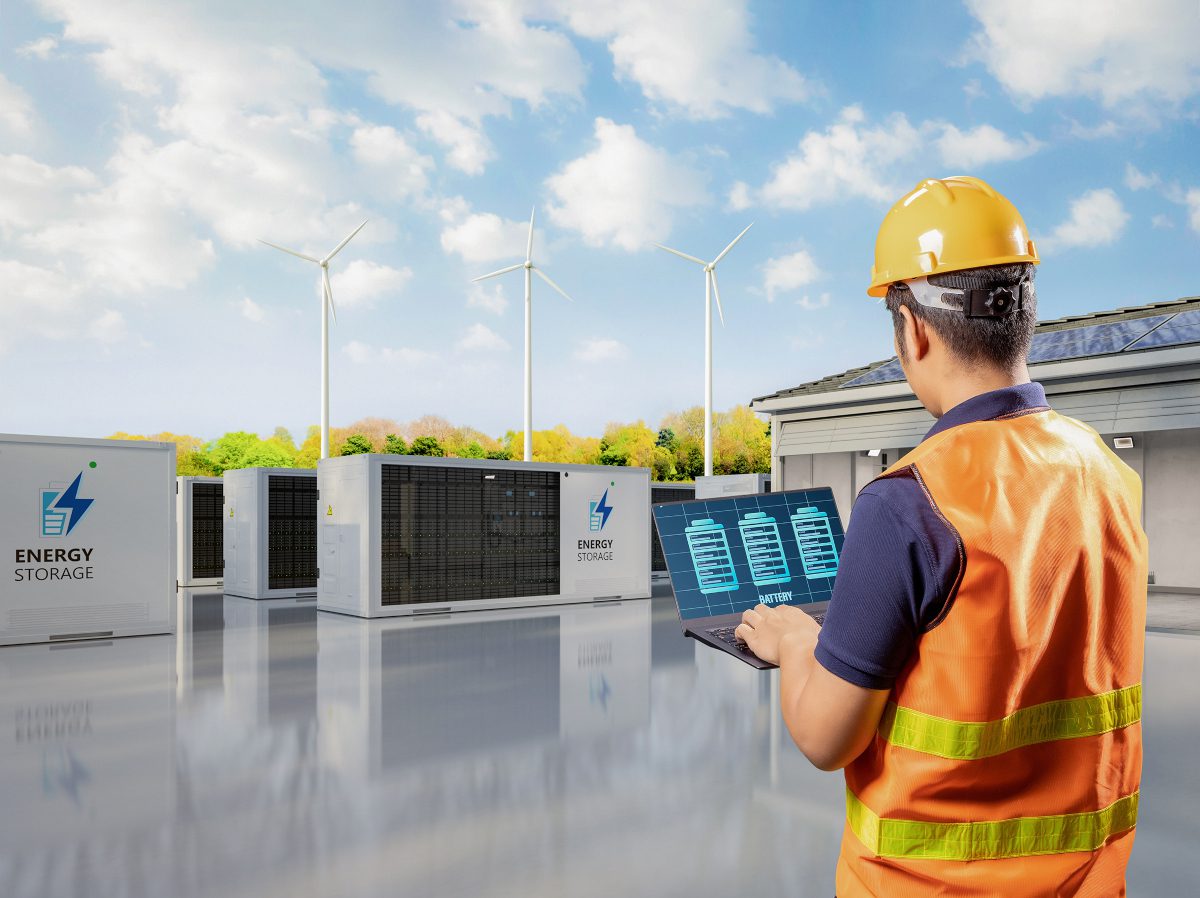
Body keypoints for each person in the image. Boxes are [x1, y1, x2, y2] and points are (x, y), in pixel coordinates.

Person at [736, 176, 1148, 897]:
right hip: (1087, 882)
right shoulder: (1106, 470)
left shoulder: (909, 502)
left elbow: (826, 739)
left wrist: (797, 641)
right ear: (1024, 318)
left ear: (913, 331)